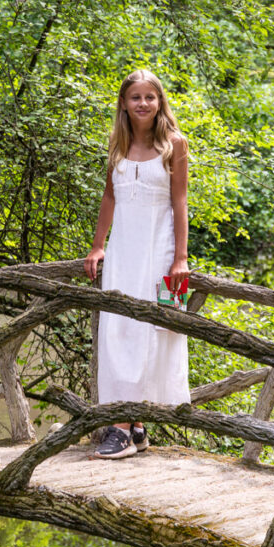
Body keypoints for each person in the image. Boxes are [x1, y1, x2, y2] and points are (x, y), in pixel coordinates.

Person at [84, 69, 190, 459]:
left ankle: (124, 427)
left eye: (150, 97)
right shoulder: (117, 142)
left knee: (156, 329)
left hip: (160, 252)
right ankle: (133, 425)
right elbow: (109, 198)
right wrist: (98, 247)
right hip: (124, 251)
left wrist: (180, 259)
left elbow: (180, 204)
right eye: (135, 97)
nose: (143, 103)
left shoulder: (174, 145)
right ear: (124, 104)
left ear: (160, 101)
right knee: (119, 331)